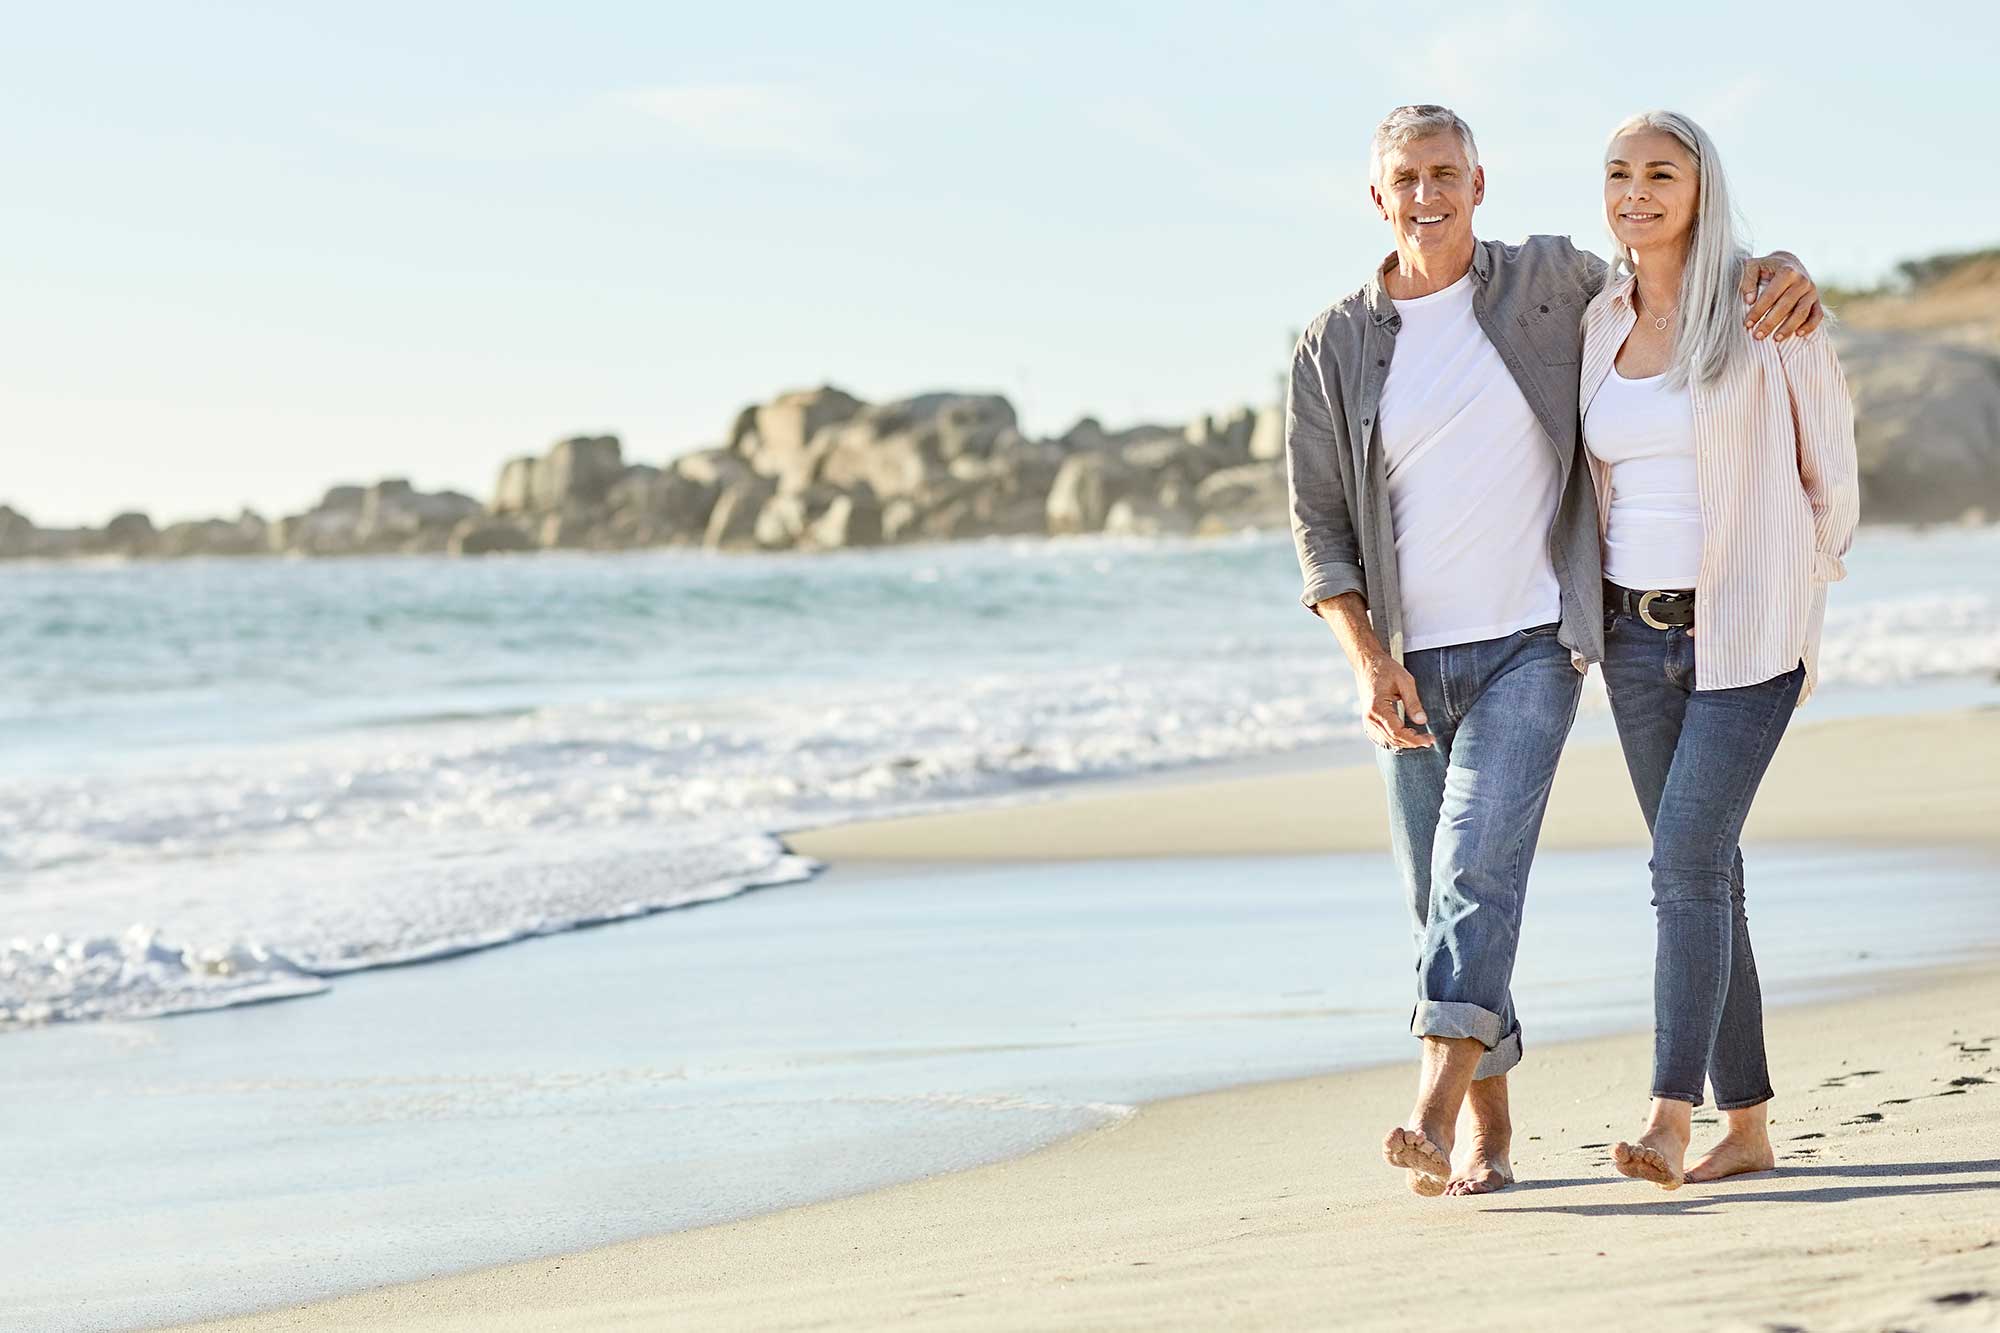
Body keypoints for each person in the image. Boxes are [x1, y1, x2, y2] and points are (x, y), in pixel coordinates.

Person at [1283, 104, 1822, 1198]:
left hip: (1536, 639)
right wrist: (1362, 656)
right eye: (1405, 177)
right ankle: (1492, 1128)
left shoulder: (1546, 284)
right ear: (1375, 197)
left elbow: (1673, 260)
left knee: (1481, 867)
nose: (1426, 193)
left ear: (1478, 185)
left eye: (1445, 172)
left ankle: (1437, 1100)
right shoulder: (1332, 342)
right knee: (1437, 898)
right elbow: (1318, 526)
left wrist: (1779, 262)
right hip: (1406, 659)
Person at [1584, 110, 1860, 1190]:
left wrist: (1792, 595)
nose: (1635, 190)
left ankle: (1666, 1113)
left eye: (1660, 171)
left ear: (1701, 188)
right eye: (1617, 173)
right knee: (1707, 875)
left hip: (1746, 635)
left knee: (1681, 864)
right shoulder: (1595, 316)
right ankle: (1744, 1127)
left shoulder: (1762, 308)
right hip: (1627, 635)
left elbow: (1827, 475)